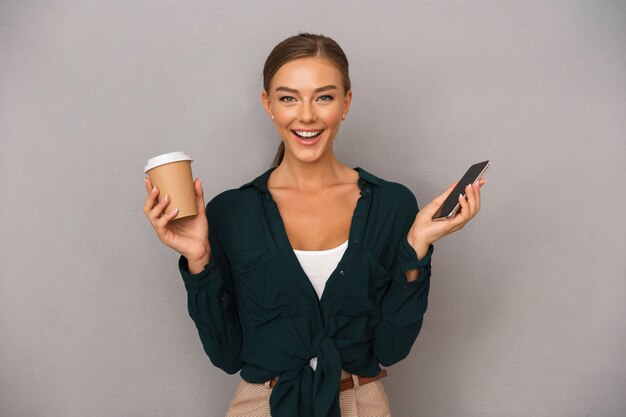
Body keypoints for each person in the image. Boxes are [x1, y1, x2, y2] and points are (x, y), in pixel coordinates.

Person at [143, 33, 485, 417]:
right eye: (288, 98)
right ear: (268, 105)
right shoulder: (230, 212)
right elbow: (227, 354)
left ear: (346, 103)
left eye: (324, 96)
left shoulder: (392, 205)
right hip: (263, 406)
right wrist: (199, 261)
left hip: (360, 404)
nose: (306, 115)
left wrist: (418, 245)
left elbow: (392, 348)